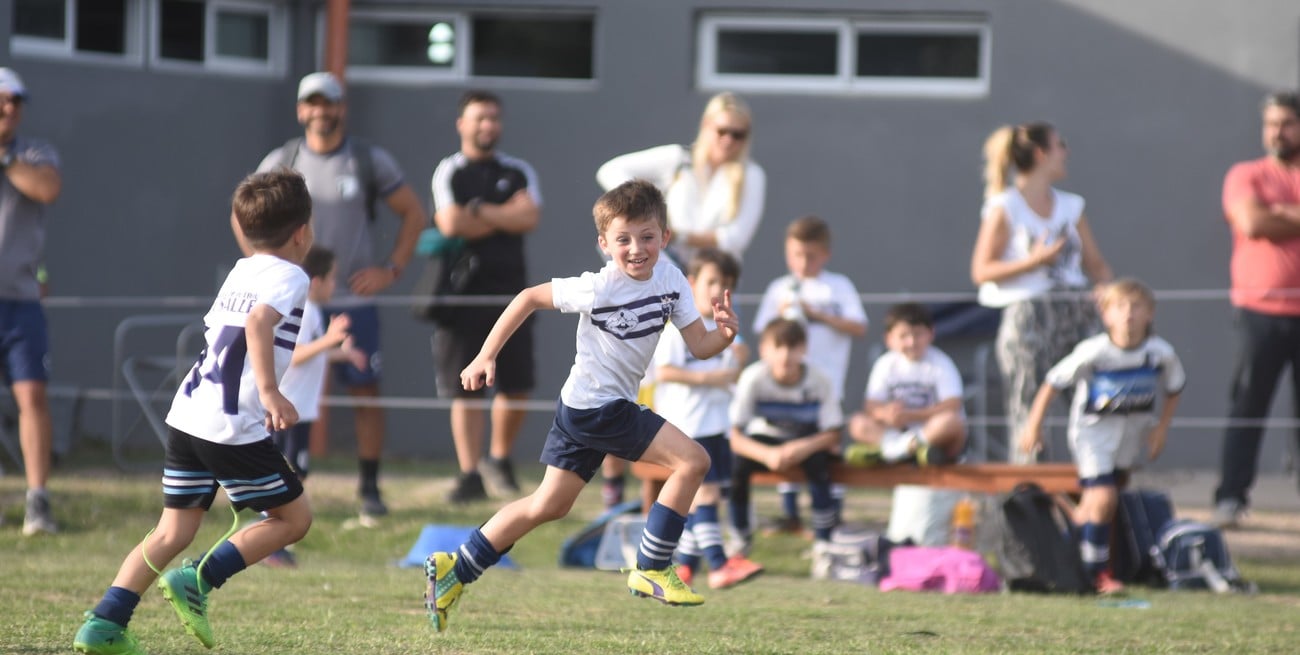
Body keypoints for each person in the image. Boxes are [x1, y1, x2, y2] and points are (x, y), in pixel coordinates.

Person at [423, 179, 739, 632]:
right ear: (604, 244)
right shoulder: (598, 287)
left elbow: (700, 345)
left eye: (647, 237)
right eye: (623, 239)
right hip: (598, 407)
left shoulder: (672, 281)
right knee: (693, 461)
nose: (636, 249)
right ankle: (651, 566)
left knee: (547, 505)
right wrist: (485, 354)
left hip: (581, 408)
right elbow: (529, 297)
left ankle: (456, 569)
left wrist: (724, 334)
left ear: (665, 238)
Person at [74, 170, 316, 654]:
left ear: (243, 229)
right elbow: (258, 322)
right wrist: (269, 392)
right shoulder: (291, 275)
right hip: (231, 427)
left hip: (188, 415)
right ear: (302, 233)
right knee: (294, 520)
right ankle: (200, 579)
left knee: (173, 529)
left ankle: (104, 623)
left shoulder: (242, 269)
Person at [247, 71, 426, 519]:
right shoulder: (284, 159)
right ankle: (271, 492)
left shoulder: (367, 160)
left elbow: (413, 213)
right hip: (293, 299)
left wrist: (390, 269)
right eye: (312, 103)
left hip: (353, 301)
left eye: (328, 103)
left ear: (341, 108)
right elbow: (243, 210)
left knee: (366, 390)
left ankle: (369, 488)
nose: (320, 111)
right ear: (300, 109)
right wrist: (261, 263)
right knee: (277, 389)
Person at [595, 91, 765, 506]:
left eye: (738, 134)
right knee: (632, 379)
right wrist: (652, 220)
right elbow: (610, 172)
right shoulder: (675, 159)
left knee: (709, 385)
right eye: (722, 130)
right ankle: (617, 482)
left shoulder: (749, 175)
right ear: (706, 128)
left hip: (707, 286)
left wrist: (671, 230)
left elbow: (735, 238)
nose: (728, 141)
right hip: (657, 278)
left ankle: (689, 505)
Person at [1018, 279, 1185, 594]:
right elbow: (1053, 381)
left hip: (1129, 437)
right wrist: (1034, 424)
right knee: (1104, 498)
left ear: (1150, 313)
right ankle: (1095, 576)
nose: (1128, 315)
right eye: (1119, 307)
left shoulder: (1159, 353)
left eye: (1136, 307)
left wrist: (1161, 428)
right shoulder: (1094, 351)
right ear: (1106, 315)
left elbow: (1175, 387)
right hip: (1092, 435)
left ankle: (1071, 559)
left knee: (1097, 505)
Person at [970, 121, 1113, 464]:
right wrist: (1033, 262)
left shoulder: (1071, 206)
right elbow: (981, 270)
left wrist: (1108, 293)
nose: (1066, 153)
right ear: (1040, 153)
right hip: (1029, 316)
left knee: (1097, 399)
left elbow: (1096, 264)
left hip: (1075, 312)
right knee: (1029, 407)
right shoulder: (1005, 207)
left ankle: (1100, 482)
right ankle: (1032, 498)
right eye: (1059, 145)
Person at [430, 90, 542, 503]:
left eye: (494, 117)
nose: (487, 125)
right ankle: (468, 473)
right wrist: (501, 216)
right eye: (479, 118)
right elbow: (449, 223)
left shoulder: (518, 171)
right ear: (462, 124)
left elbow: (529, 216)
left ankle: (500, 458)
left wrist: (476, 213)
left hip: (513, 291)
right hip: (462, 295)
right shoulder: (450, 172)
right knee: (466, 388)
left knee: (518, 385)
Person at [1212, 92, 1300, 528]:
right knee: (1247, 406)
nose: (1276, 132)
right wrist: (1275, 214)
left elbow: (1269, 221)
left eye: (1286, 123)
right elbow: (1251, 223)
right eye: (1270, 123)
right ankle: (1231, 498)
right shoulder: (1245, 175)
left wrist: (1282, 213)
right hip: (1259, 311)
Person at [652, 248, 762, 590]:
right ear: (692, 283)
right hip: (687, 424)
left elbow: (731, 376)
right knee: (708, 494)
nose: (718, 290)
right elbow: (664, 372)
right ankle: (718, 564)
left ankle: (685, 565)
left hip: (716, 423)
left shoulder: (726, 330)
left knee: (701, 499)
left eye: (726, 284)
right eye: (712, 281)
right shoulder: (678, 328)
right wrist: (711, 378)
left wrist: (738, 360)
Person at [750, 215, 867, 534]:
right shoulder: (779, 288)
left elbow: (859, 325)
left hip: (826, 385)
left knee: (826, 448)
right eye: (795, 255)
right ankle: (790, 513)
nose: (802, 262)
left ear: (825, 254)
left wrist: (817, 314)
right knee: (785, 440)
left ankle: (830, 514)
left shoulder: (838, 286)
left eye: (810, 255)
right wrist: (783, 312)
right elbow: (764, 333)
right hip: (785, 388)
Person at [265, 246, 366, 566]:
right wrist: (331, 339)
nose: (335, 286)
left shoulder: (313, 311)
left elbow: (312, 355)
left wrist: (342, 353)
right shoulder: (306, 310)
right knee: (287, 476)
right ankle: (269, 542)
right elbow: (296, 356)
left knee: (297, 474)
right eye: (332, 279)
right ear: (317, 280)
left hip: (302, 411)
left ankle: (272, 540)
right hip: (289, 412)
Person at [0, 67, 63, 536]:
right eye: (2, 100)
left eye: (15, 102)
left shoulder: (34, 153)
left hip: (21, 301)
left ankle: (37, 502)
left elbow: (46, 187)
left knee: (32, 396)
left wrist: (4, 157)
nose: (8, 109)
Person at [728, 318, 844, 557]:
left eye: (792, 347)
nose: (785, 355)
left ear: (804, 349)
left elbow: (833, 433)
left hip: (806, 441)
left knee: (821, 465)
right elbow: (735, 435)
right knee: (735, 468)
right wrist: (767, 454)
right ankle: (740, 539)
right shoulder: (753, 377)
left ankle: (824, 543)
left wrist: (801, 448)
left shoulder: (820, 379)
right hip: (765, 440)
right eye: (778, 347)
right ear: (764, 350)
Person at [845, 302, 967, 467]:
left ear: (931, 334)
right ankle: (903, 449)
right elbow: (871, 406)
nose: (911, 342)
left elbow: (952, 406)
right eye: (903, 336)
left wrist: (911, 415)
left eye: (917, 335)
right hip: (895, 433)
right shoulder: (885, 364)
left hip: (931, 434)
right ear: (889, 339)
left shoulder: (941, 363)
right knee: (857, 423)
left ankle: (896, 451)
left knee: (951, 422)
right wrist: (886, 414)